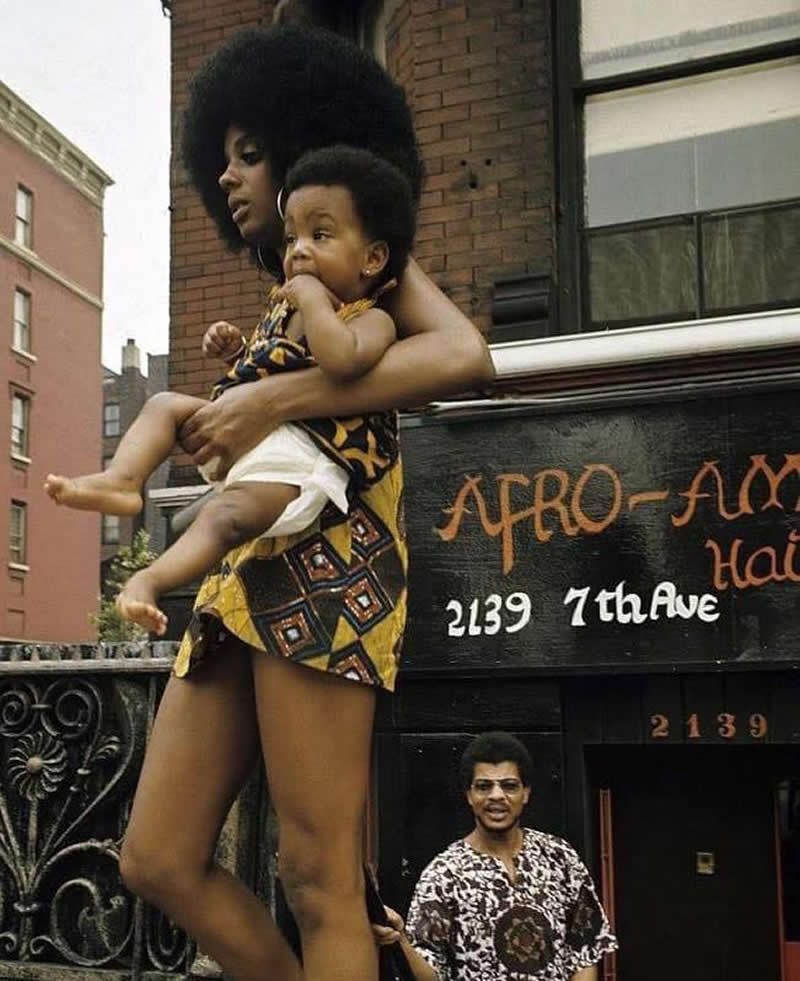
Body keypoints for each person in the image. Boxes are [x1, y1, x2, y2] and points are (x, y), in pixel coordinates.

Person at [74, 23, 492, 981]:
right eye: (219, 158)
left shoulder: (366, 274)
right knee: (157, 856)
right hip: (244, 575)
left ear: (303, 152)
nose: (226, 177)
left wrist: (271, 399)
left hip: (335, 571)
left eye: (249, 153)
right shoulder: (279, 295)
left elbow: (467, 354)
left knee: (317, 876)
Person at [44, 144, 415, 637]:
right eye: (292, 238)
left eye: (320, 235)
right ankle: (123, 480)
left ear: (373, 258)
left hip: (302, 457)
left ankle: (148, 581)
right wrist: (236, 351)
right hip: (254, 431)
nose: (299, 250)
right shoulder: (284, 312)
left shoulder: (371, 319)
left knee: (225, 517)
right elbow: (267, 373)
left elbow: (341, 361)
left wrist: (312, 300)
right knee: (163, 403)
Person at [374, 732, 617, 981]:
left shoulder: (559, 858)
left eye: (509, 785)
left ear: (526, 793)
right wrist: (400, 940)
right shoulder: (444, 874)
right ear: (469, 795)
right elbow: (431, 974)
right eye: (484, 786)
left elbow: (585, 953)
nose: (496, 796)